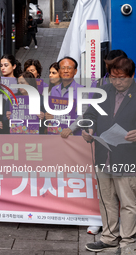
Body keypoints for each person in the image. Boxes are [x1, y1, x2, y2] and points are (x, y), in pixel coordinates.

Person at [83, 56, 136, 253]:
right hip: (103, 154)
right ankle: (109, 237)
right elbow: (90, 115)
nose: (117, 82)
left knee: (128, 202)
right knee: (107, 200)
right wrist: (88, 129)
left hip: (128, 157)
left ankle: (128, 241)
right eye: (113, 77)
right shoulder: (103, 92)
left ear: (131, 76)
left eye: (121, 78)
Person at [45, 56, 84, 138]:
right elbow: (52, 111)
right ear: (59, 71)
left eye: (69, 68)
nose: (66, 71)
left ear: (75, 71)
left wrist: (70, 129)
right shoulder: (53, 90)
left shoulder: (82, 91)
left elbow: (83, 116)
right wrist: (48, 115)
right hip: (55, 135)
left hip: (73, 137)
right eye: (63, 68)